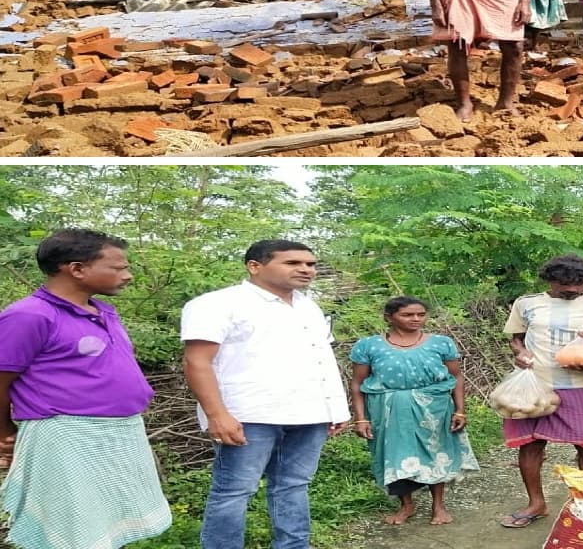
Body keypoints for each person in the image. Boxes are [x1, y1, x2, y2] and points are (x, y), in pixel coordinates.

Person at [0, 229, 172, 549]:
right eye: (118, 268)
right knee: (74, 527)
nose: (128, 275)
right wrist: (3, 431)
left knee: (105, 520)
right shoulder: (29, 316)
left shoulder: (104, 311)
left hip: (118, 432)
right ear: (76, 269)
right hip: (67, 435)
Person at [181, 240, 350, 549]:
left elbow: (320, 358)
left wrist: (335, 410)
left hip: (309, 414)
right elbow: (197, 361)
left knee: (294, 486)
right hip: (249, 415)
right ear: (254, 266)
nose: (305, 269)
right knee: (234, 491)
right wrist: (217, 414)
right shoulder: (217, 304)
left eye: (310, 264)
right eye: (292, 263)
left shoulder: (308, 306)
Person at [500, 254, 583, 529]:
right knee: (529, 445)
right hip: (536, 385)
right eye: (563, 283)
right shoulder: (526, 304)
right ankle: (536, 503)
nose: (571, 289)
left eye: (578, 283)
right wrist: (520, 354)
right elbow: (516, 339)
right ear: (549, 280)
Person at [349, 296, 479, 526]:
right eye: (407, 315)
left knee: (436, 452)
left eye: (420, 314)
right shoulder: (368, 346)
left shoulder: (441, 343)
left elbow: (456, 376)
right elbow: (358, 383)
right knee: (395, 455)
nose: (416, 319)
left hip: (434, 408)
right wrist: (361, 418)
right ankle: (406, 505)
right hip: (388, 410)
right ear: (389, 317)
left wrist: (460, 411)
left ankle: (438, 506)